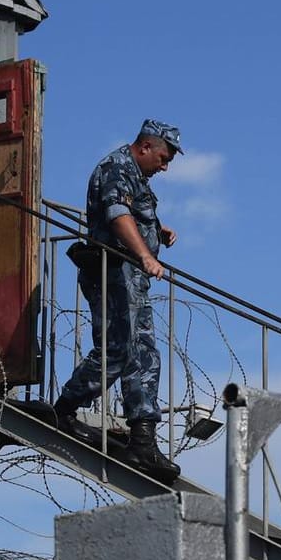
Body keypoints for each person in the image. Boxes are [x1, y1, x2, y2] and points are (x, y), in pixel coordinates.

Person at [46, 119, 185, 482]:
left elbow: (135, 214)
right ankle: (64, 409)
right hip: (114, 271)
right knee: (118, 349)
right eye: (164, 157)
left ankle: (143, 438)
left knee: (143, 352)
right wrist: (145, 255)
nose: (165, 166)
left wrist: (158, 229)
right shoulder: (117, 166)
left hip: (131, 277)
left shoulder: (137, 175)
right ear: (145, 147)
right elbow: (118, 216)